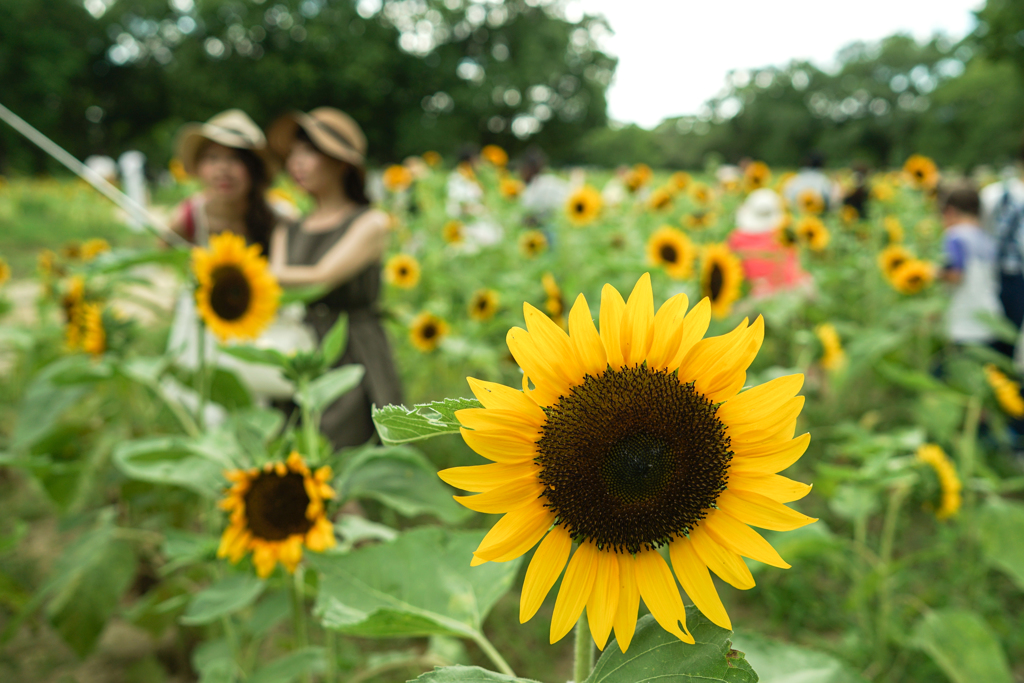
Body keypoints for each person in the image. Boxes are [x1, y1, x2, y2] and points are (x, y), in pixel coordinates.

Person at [267, 107, 402, 449]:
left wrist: (254, 276)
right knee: (299, 458)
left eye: (310, 152)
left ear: (342, 163)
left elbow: (320, 277)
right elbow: (276, 282)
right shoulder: (287, 228)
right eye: (294, 152)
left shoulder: (370, 222)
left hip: (352, 351)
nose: (297, 162)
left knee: (346, 461)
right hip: (298, 351)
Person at [169, 109, 279, 252]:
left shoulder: (278, 218)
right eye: (212, 157)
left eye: (235, 158)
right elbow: (162, 261)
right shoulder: (189, 218)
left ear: (254, 168)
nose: (223, 169)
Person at [939, 183, 1003, 347]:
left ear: (950, 211)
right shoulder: (987, 238)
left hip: (965, 320)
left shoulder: (955, 236)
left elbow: (956, 275)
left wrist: (932, 273)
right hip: (990, 317)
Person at [727, 189, 810, 298]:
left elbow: (729, 267)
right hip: (784, 294)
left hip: (752, 295)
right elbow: (793, 270)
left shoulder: (735, 238)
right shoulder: (783, 237)